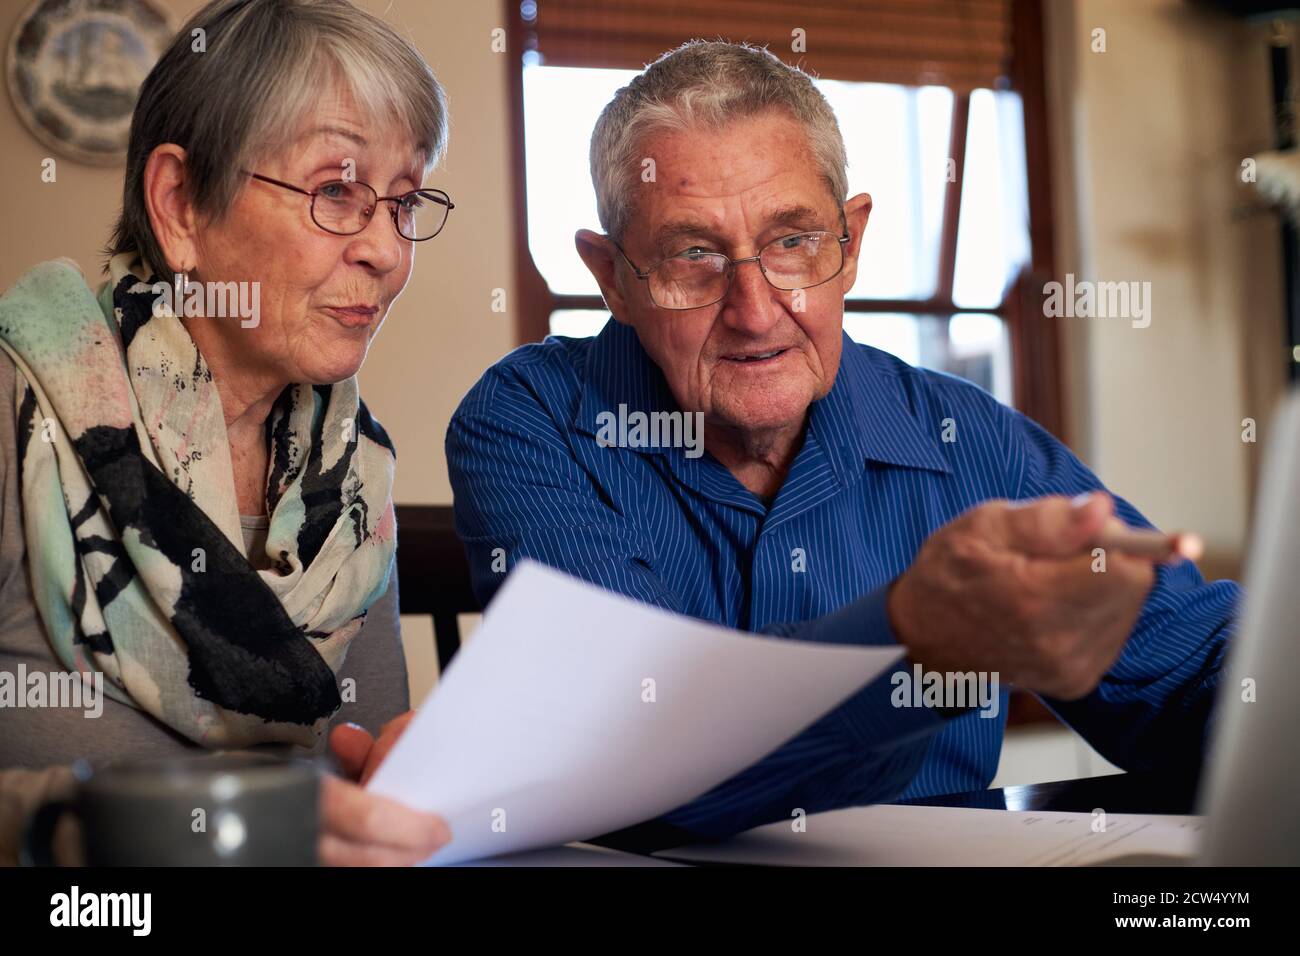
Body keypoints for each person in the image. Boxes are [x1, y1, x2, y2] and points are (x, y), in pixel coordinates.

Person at [446, 40, 1237, 839]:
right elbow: (621, 750)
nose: (755, 311)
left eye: (793, 242)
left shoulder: (971, 440)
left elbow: (1203, 672)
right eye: (694, 254)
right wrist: (913, 643)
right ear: (612, 277)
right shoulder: (528, 421)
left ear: (850, 241)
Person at [0, 0, 452, 866]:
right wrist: (148, 830)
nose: (389, 252)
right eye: (336, 192)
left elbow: (352, 770)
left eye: (405, 201)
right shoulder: (15, 415)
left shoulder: (353, 477)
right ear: (179, 205)